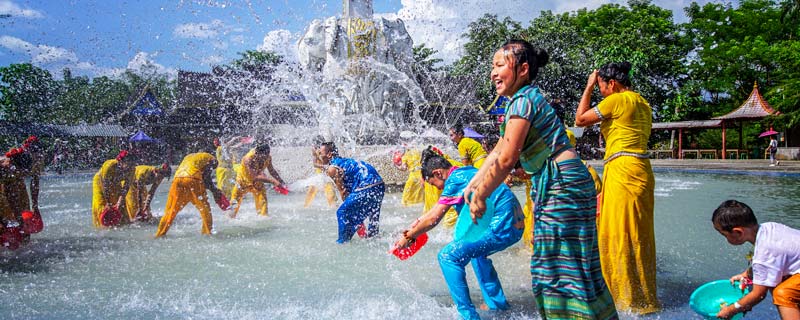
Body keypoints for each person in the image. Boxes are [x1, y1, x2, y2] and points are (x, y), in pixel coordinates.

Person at [465, 40, 618, 319]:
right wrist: (473, 184)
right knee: (570, 265)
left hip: (562, 186)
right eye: (492, 66)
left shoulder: (523, 101)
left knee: (557, 266)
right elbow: (499, 148)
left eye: (499, 65)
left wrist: (482, 194)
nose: (492, 73)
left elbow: (508, 158)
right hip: (564, 183)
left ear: (523, 69)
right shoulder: (523, 100)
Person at [393, 147, 524, 320]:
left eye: (434, 183)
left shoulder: (454, 181)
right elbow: (434, 211)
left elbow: (434, 218)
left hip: (501, 226)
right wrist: (417, 223)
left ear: (438, 173)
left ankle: (467, 316)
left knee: (448, 256)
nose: (438, 189)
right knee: (477, 254)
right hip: (516, 224)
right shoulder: (467, 171)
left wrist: (409, 237)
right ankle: (498, 305)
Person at [574, 61, 661, 313]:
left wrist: (588, 87)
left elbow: (580, 120)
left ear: (612, 83)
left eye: (601, 86)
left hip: (623, 170)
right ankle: (644, 296)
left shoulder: (617, 100)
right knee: (638, 234)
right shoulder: (642, 102)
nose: (600, 92)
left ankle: (625, 300)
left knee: (619, 233)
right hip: (640, 170)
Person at [712, 200, 800, 320]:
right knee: (773, 280)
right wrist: (747, 275)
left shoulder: (764, 252)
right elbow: (770, 262)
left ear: (738, 232)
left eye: (724, 235)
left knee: (783, 293)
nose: (725, 239)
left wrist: (731, 309)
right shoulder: (768, 228)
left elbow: (758, 294)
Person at [318, 142, 384, 243]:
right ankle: (372, 237)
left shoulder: (332, 168)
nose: (319, 156)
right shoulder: (345, 161)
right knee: (372, 218)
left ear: (329, 155)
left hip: (367, 185)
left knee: (342, 212)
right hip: (379, 184)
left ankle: (342, 243)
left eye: (320, 153)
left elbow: (344, 193)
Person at [155, 151, 227, 237]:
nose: (213, 169)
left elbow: (204, 178)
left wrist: (213, 189)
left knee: (170, 212)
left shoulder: (189, 156)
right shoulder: (212, 159)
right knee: (205, 210)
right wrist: (215, 191)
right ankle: (207, 234)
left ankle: (159, 234)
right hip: (193, 179)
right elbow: (206, 177)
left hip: (177, 180)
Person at [229, 143, 287, 218]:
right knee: (233, 207)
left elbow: (271, 171)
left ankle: (264, 223)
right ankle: (230, 220)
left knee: (263, 209)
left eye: (267, 155)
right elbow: (255, 177)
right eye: (263, 156)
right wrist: (273, 181)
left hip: (258, 184)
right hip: (242, 183)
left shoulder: (267, 157)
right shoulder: (248, 159)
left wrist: (281, 182)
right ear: (257, 153)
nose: (266, 158)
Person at [91, 150, 136, 228]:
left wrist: (119, 202)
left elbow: (125, 188)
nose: (129, 165)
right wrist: (108, 203)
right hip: (100, 182)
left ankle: (123, 222)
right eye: (127, 162)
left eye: (131, 163)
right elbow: (105, 187)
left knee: (121, 205)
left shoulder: (132, 169)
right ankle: (101, 225)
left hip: (115, 182)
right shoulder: (109, 166)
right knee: (101, 203)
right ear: (120, 161)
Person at [304, 136, 337, 208]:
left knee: (330, 192)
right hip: (319, 174)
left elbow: (333, 160)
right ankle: (306, 207)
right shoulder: (314, 150)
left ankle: (334, 207)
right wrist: (324, 166)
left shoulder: (327, 149)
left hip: (328, 175)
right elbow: (314, 164)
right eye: (316, 146)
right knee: (311, 190)